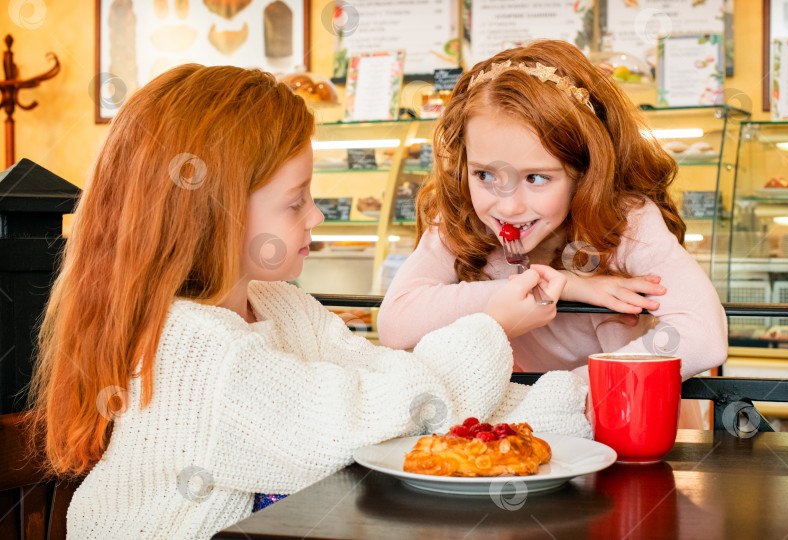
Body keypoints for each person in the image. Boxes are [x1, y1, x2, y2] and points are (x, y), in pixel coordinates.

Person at [27, 64, 592, 539]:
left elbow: (406, 393)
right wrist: (491, 325)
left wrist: (579, 399)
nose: (316, 217)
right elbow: (369, 419)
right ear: (211, 213)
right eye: (295, 202)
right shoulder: (191, 352)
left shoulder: (280, 305)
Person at [378, 40, 727, 393]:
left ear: (585, 172)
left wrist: (565, 394)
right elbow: (396, 323)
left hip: (616, 429)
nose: (508, 206)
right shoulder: (461, 217)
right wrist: (561, 285)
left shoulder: (627, 221)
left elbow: (703, 335)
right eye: (484, 175)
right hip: (512, 430)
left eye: (536, 178)